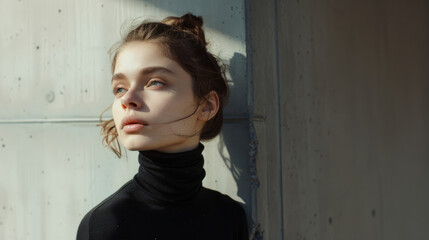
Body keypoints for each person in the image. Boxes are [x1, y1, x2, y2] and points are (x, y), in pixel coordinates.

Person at [76, 13, 249, 240]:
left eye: (155, 82)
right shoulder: (105, 226)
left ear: (206, 106)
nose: (128, 99)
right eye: (119, 88)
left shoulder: (230, 217)